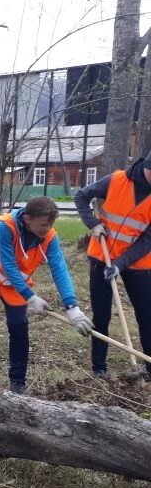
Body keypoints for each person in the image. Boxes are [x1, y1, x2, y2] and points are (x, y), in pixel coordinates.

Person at [0, 196, 93, 393]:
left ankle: (18, 383)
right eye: (43, 224)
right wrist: (30, 296)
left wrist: (72, 307)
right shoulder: (6, 227)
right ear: (27, 218)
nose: (47, 229)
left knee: (19, 328)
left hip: (15, 286)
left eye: (51, 224)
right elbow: (8, 265)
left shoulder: (49, 236)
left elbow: (59, 267)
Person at [74, 152, 151, 379]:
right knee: (102, 314)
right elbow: (81, 196)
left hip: (137, 262)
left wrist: (120, 264)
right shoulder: (116, 180)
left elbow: (148, 239)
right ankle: (99, 368)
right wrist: (93, 223)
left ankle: (149, 368)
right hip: (101, 255)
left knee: (147, 316)